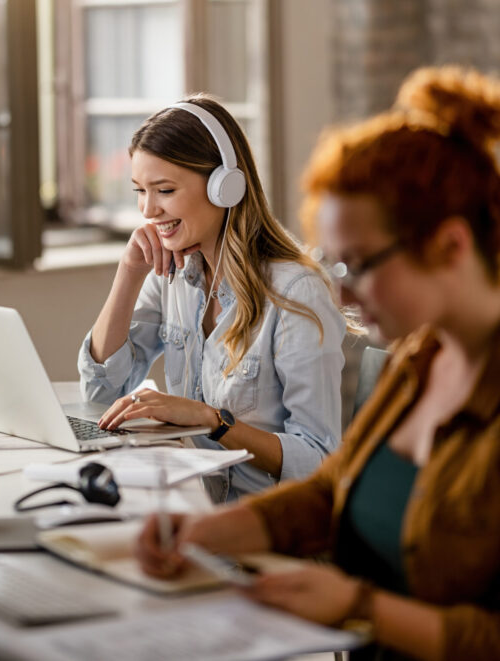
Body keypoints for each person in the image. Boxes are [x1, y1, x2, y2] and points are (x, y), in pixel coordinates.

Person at [135, 66, 500, 660]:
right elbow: (334, 489)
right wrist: (205, 532)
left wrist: (360, 608)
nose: (342, 295)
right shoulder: (422, 362)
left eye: (360, 265)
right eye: (336, 264)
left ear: (451, 246)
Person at [78, 93, 345, 501]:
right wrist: (129, 273)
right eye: (140, 191)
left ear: (226, 187)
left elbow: (320, 459)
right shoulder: (172, 274)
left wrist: (212, 421)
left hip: (262, 528)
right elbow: (100, 392)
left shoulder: (296, 292)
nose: (148, 210)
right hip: (190, 507)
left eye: (164, 190)